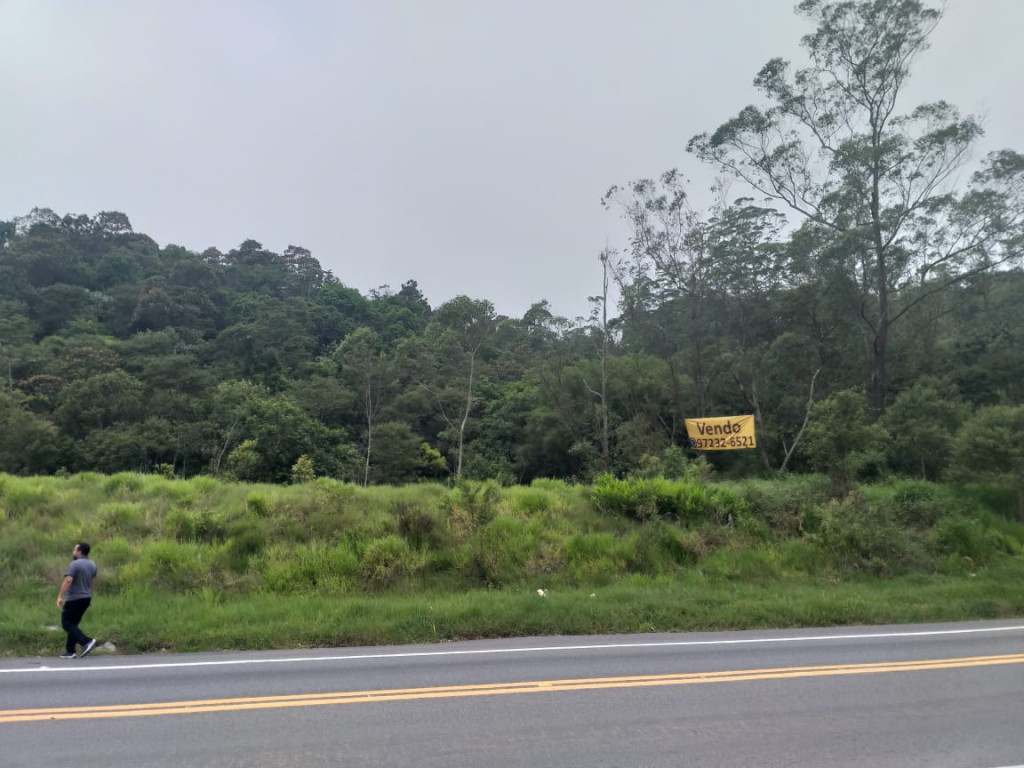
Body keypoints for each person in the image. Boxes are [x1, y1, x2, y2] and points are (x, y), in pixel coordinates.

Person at [57, 542, 98, 659]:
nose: (73, 552)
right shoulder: (92, 564)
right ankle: (70, 651)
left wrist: (60, 596)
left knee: (67, 624)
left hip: (74, 598)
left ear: (79, 552)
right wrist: (89, 597)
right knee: (73, 624)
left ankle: (86, 641)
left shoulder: (75, 564)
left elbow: (68, 580)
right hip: (85, 598)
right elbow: (91, 582)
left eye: (74, 550)